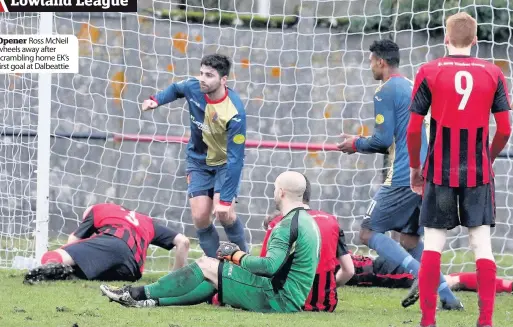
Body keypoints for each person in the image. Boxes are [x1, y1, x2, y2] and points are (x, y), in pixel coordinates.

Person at [337, 38, 462, 310]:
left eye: (371, 61)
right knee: (409, 240)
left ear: (381, 62)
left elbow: (382, 140)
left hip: (406, 175)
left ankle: (423, 277)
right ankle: (450, 299)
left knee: (368, 233)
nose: (369, 65)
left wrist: (355, 144)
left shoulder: (386, 90)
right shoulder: (414, 86)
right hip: (430, 174)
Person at [406, 12, 512, 327]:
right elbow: (505, 129)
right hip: (478, 172)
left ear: (446, 38)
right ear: (476, 40)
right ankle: (485, 321)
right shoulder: (493, 73)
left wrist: (415, 167)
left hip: (439, 170)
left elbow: (413, 130)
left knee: (434, 243)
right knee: (481, 245)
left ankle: (428, 321)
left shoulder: (428, 71)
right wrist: (488, 158)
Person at [100, 171, 322, 313]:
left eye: (275, 188)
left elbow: (269, 266)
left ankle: (136, 293)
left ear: (281, 192)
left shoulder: (286, 225)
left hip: (276, 299)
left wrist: (235, 255)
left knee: (207, 265)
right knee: (214, 277)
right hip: (289, 298)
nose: (274, 192)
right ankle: (150, 301)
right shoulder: (310, 223)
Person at [141, 53, 248, 257]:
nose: (202, 79)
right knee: (200, 217)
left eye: (209, 75)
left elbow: (235, 159)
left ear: (223, 80)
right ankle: (214, 265)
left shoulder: (235, 113)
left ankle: (247, 262)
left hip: (225, 164)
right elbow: (175, 89)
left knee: (225, 214)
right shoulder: (193, 88)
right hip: (198, 162)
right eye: (201, 73)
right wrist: (156, 100)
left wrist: (225, 200)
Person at [24, 203, 190, 284]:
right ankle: (67, 273)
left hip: (112, 242)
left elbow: (73, 241)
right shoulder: (147, 221)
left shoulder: (97, 209)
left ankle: (49, 269)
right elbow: (183, 242)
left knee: (54, 256)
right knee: (79, 271)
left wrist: (62, 254)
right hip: (132, 270)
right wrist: (173, 281)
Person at [260, 174, 354, 312]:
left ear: (281, 192)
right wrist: (329, 287)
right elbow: (349, 271)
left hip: (288, 301)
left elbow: (264, 271)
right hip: (326, 304)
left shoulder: (279, 223)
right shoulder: (331, 221)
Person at [342, 253, 513, 301]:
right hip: (381, 265)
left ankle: (512, 285)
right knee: (448, 280)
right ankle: (511, 285)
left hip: (383, 270)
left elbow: (344, 272)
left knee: (448, 281)